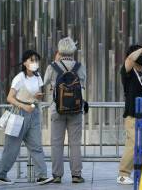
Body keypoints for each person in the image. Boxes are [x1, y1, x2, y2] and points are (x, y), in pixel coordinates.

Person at [0, 50, 53, 185]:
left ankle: (42, 175)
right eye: (32, 60)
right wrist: (22, 105)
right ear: (25, 62)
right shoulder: (19, 78)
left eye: (36, 60)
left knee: (36, 146)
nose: (34, 63)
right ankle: (1, 174)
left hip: (34, 112)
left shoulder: (38, 77)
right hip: (19, 113)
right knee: (12, 147)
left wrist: (38, 97)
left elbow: (37, 95)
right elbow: (9, 97)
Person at [44, 37, 86, 184]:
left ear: (59, 50)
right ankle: (76, 175)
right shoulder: (79, 66)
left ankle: (56, 175)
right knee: (75, 143)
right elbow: (83, 84)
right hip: (76, 109)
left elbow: (44, 82)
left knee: (56, 143)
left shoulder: (52, 67)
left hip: (57, 109)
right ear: (73, 50)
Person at [117, 45, 142, 185]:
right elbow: (129, 60)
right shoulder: (127, 72)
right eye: (139, 54)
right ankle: (123, 174)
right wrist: (140, 50)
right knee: (133, 144)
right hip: (133, 115)